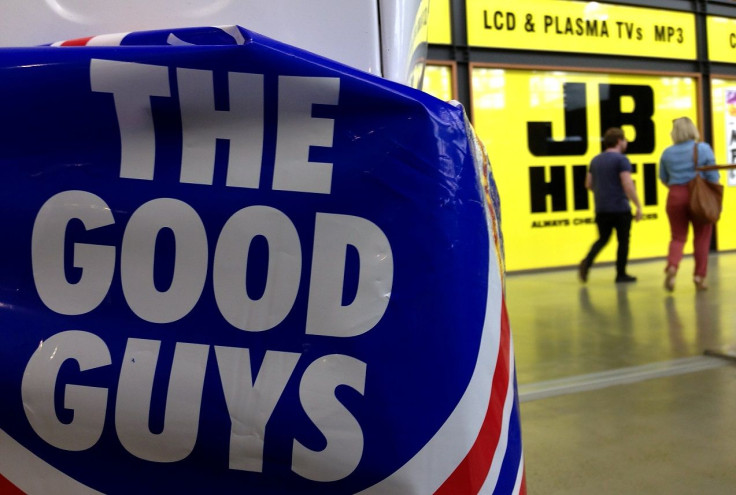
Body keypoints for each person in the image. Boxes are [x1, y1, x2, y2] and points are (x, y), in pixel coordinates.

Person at [659, 116, 720, 291]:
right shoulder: (703, 148)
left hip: (675, 195)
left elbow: (663, 178)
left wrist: (678, 186)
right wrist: (714, 200)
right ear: (692, 129)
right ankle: (699, 277)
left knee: (677, 237)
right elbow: (713, 176)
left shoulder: (667, 153)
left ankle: (672, 267)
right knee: (701, 236)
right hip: (699, 196)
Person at [579, 127, 643, 283]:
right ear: (619, 141)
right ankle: (621, 274)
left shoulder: (595, 160)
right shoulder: (622, 160)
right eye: (625, 140)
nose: (626, 142)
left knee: (603, 239)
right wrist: (638, 205)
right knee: (623, 241)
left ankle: (587, 262)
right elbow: (627, 184)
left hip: (601, 208)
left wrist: (604, 192)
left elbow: (588, 184)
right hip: (620, 208)